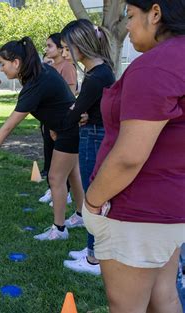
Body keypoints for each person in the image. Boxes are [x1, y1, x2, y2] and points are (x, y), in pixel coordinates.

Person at [82, 1, 185, 313]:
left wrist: (91, 203)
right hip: (168, 205)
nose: (126, 27)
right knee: (163, 296)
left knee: (128, 306)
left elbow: (129, 156)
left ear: (155, 13)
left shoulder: (156, 65)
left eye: (130, 16)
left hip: (137, 210)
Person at [0, 37, 84, 241]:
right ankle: (81, 215)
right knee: (72, 173)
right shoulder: (39, 72)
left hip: (69, 129)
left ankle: (59, 229)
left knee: (55, 177)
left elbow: (8, 127)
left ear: (16, 62)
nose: (1, 68)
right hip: (65, 128)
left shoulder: (35, 83)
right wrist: (52, 126)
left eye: (3, 64)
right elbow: (56, 101)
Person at [55, 19, 116, 276]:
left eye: (68, 47)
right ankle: (92, 248)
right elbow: (84, 110)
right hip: (92, 130)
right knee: (93, 195)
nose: (66, 52)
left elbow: (74, 113)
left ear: (80, 45)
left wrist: (76, 113)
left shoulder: (96, 76)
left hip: (94, 135)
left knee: (93, 197)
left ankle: (94, 259)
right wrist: (80, 113)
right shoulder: (98, 72)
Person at [39, 33, 77, 205]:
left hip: (62, 121)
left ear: (61, 49)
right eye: (46, 46)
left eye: (50, 46)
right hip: (48, 119)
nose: (46, 49)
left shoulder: (67, 67)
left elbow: (70, 94)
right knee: (49, 153)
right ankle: (52, 188)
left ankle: (66, 191)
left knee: (62, 156)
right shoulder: (48, 67)